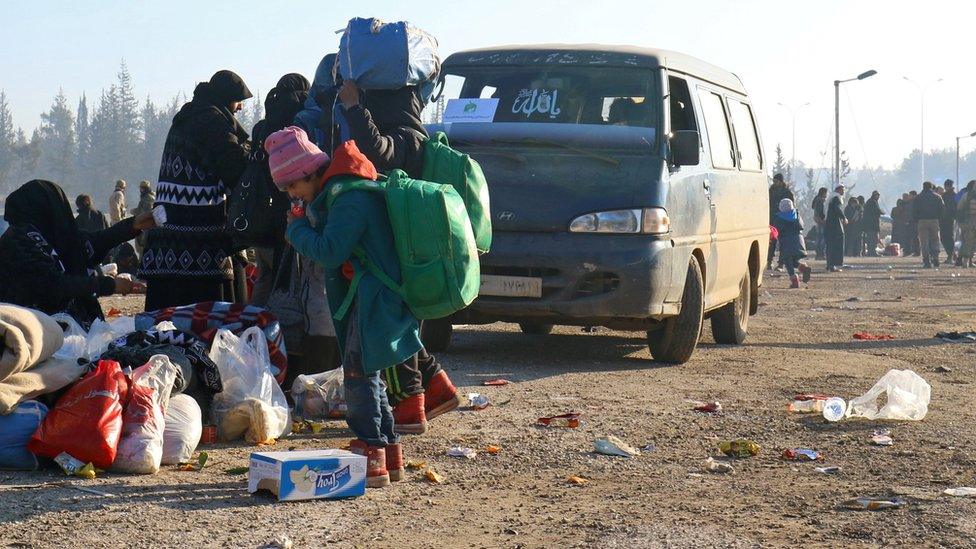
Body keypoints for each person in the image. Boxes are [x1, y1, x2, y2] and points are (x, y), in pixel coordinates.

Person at [268, 128, 421, 488]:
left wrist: (297, 230)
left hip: (377, 295)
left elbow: (331, 250)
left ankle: (371, 450)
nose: (293, 195)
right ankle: (388, 453)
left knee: (357, 374)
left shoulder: (349, 197)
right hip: (373, 292)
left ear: (308, 173)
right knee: (368, 372)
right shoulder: (341, 191)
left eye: (292, 186)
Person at [324, 79, 461, 435]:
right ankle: (438, 390)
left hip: (399, 253)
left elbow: (378, 151)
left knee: (388, 335)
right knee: (400, 328)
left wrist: (355, 109)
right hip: (404, 246)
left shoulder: (406, 135)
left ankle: (410, 406)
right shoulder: (414, 132)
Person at [138, 70, 252, 311]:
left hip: (169, 243)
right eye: (238, 100)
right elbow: (233, 165)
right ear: (226, 98)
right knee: (206, 324)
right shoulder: (209, 120)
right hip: (198, 245)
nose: (240, 107)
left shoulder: (190, 116)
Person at [0, 180, 156, 328]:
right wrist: (109, 285)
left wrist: (133, 225)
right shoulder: (18, 242)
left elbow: (94, 242)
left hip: (61, 328)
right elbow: (53, 285)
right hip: (32, 330)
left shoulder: (53, 236)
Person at [772, 198, 810, 288]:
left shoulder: (779, 218)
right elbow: (802, 226)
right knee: (793, 261)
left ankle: (795, 281)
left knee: (788, 262)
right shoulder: (796, 214)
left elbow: (776, 231)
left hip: (786, 243)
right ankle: (804, 268)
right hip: (799, 241)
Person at [914, 181, 945, 268]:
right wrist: (939, 218)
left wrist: (917, 220)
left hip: (922, 221)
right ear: (931, 187)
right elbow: (942, 209)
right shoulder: (937, 197)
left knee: (924, 242)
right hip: (934, 220)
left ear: (923, 187)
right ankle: (935, 258)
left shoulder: (918, 198)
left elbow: (914, 211)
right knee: (935, 239)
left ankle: (926, 261)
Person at [767, 173, 794, 269]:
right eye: (774, 181)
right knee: (772, 242)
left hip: (784, 220)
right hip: (773, 219)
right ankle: (769, 262)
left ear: (781, 181)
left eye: (776, 181)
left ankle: (781, 263)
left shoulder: (787, 192)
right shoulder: (771, 191)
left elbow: (791, 206)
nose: (775, 183)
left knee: (783, 242)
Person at [824, 186, 847, 272]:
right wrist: (844, 217)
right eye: (842, 190)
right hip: (834, 225)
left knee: (830, 246)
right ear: (838, 190)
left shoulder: (831, 198)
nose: (843, 191)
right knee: (835, 245)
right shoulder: (836, 198)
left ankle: (829, 265)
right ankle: (832, 265)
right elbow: (837, 209)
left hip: (829, 225)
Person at [131, 180, 155, 257]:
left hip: (145, 227)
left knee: (142, 249)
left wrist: (133, 211)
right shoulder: (152, 197)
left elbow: (142, 212)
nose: (140, 190)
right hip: (150, 226)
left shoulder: (146, 199)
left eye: (141, 188)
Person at [957, 180, 976, 267]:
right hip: (970, 220)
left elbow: (959, 207)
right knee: (971, 242)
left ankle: (965, 261)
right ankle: (969, 261)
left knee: (967, 240)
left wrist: (960, 221)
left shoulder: (966, 195)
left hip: (968, 220)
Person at [862, 191, 885, 256]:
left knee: (871, 239)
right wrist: (882, 212)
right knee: (873, 239)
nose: (877, 197)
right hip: (872, 224)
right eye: (876, 195)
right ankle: (872, 252)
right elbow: (877, 210)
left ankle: (871, 252)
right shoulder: (872, 202)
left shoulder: (871, 201)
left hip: (870, 224)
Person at [940, 179, 957, 263]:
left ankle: (950, 256)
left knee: (947, 238)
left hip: (947, 219)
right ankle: (951, 255)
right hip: (948, 219)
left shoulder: (946, 196)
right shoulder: (954, 195)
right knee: (947, 237)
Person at [812, 187, 828, 260]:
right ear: (824, 193)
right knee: (823, 237)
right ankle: (821, 254)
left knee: (819, 237)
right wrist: (822, 219)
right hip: (821, 221)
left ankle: (818, 254)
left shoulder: (816, 199)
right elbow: (821, 211)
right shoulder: (820, 200)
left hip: (818, 220)